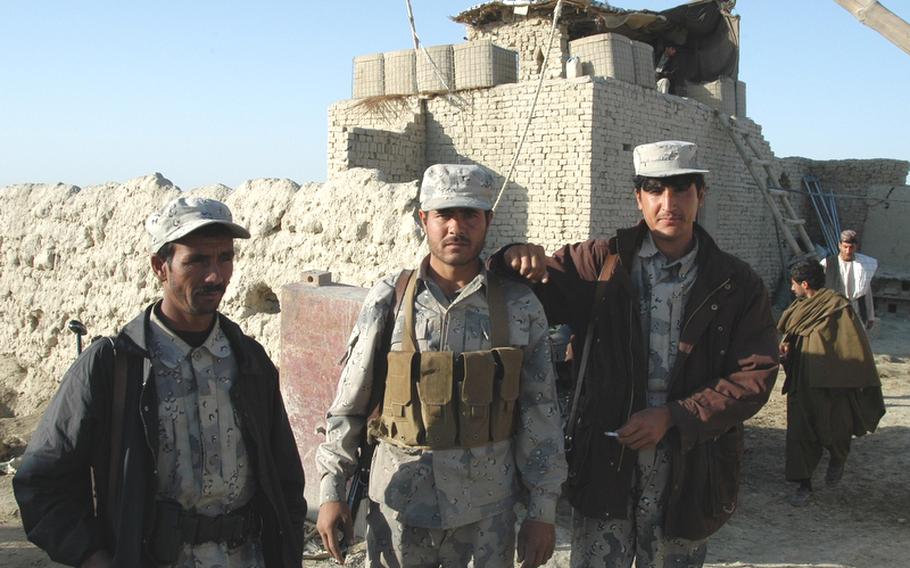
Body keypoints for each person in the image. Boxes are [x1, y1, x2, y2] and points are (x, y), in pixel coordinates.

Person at [488, 140, 779, 568]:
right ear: (638, 196)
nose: (669, 203)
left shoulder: (735, 283)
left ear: (701, 195)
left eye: (681, 190)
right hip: (606, 463)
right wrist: (509, 256)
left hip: (689, 468)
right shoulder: (598, 264)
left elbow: (754, 376)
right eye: (656, 190)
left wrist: (675, 416)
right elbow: (528, 286)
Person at [14, 197, 306, 567]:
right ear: (160, 267)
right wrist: (92, 556)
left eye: (225, 258)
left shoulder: (249, 361)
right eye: (197, 261)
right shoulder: (115, 366)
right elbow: (41, 482)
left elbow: (285, 480)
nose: (216, 276)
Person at [315, 164, 567, 568]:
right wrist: (331, 491)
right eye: (443, 214)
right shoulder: (390, 300)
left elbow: (541, 415)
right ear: (424, 220)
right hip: (400, 510)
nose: (456, 227)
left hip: (487, 515)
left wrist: (543, 510)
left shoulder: (520, 307)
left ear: (488, 220)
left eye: (469, 215)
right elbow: (348, 406)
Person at [778, 260, 885, 507]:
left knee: (834, 426)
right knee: (799, 433)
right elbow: (791, 336)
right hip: (802, 381)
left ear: (805, 284)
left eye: (794, 285)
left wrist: (850, 379)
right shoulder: (799, 309)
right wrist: (786, 353)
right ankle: (803, 484)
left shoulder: (838, 308)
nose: (792, 289)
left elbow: (853, 346)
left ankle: (838, 457)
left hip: (831, 384)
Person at [820, 229, 878, 330]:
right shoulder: (827, 264)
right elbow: (819, 290)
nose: (848, 251)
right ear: (839, 245)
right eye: (845, 247)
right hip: (832, 310)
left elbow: (866, 292)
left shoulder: (864, 265)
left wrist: (870, 316)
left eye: (851, 247)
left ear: (856, 247)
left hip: (856, 310)